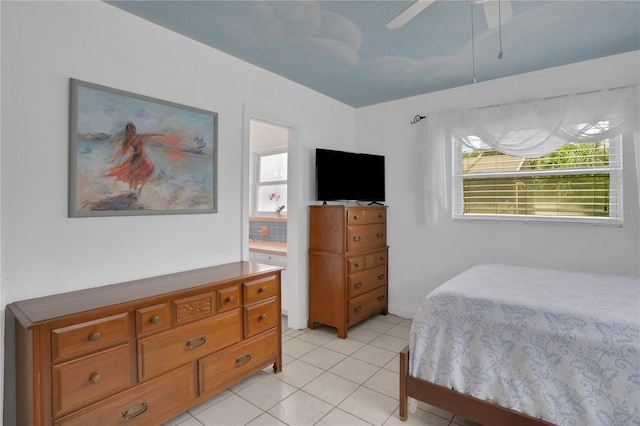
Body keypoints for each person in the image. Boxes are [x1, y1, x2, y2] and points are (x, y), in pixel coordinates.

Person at [104, 122, 163, 197]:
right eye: (128, 130)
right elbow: (122, 151)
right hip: (135, 158)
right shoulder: (128, 140)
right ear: (127, 131)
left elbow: (150, 135)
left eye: (131, 129)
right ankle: (134, 191)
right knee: (133, 175)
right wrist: (114, 159)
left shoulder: (140, 136)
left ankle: (140, 189)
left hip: (142, 157)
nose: (130, 131)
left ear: (134, 129)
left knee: (150, 170)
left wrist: (161, 135)